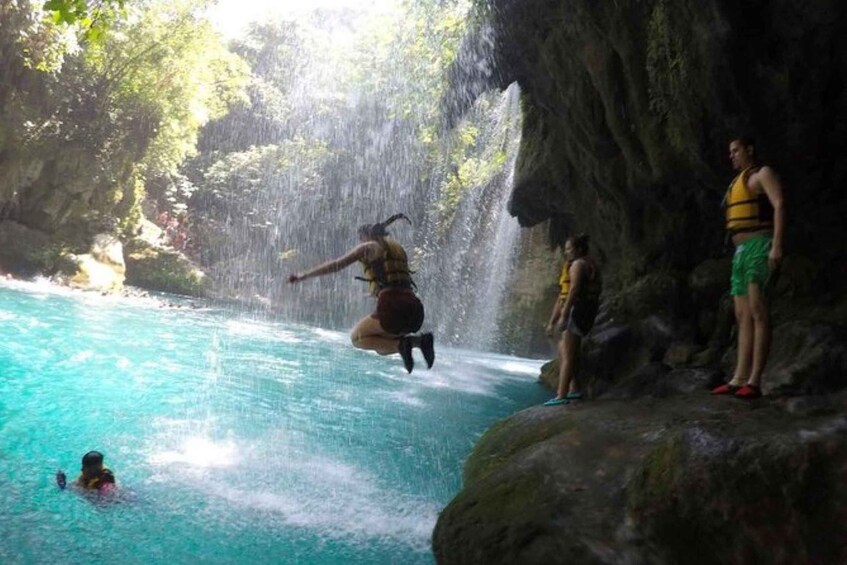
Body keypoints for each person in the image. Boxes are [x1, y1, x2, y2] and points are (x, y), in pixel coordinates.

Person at [287, 213, 434, 373]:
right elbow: (395, 280)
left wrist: (304, 275)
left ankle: (406, 345)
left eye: (360, 238)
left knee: (357, 338)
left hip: (393, 307)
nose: (360, 242)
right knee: (381, 348)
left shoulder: (368, 247)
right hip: (414, 310)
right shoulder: (397, 248)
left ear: (365, 236)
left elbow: (336, 265)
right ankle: (420, 341)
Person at [711, 136, 785, 399]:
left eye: (735, 150)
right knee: (741, 315)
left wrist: (776, 245)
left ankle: (754, 381)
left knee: (757, 311)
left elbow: (778, 204)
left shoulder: (761, 174)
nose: (731, 155)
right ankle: (738, 378)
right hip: (740, 253)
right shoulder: (737, 182)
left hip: (759, 245)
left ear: (749, 149)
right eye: (729, 152)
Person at [543, 234, 601, 406]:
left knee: (568, 352)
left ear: (580, 250)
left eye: (570, 249)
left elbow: (574, 289)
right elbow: (562, 295)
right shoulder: (574, 264)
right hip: (578, 311)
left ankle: (562, 395)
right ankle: (574, 389)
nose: (567, 252)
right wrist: (552, 321)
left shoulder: (578, 265)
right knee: (564, 348)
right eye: (566, 249)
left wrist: (565, 315)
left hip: (577, 311)